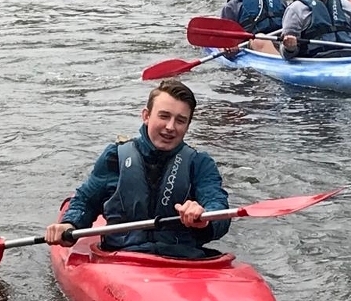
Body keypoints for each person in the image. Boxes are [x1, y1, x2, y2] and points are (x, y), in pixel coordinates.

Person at [44, 79, 230, 259]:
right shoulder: (115, 157)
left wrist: (205, 216)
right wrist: (69, 223)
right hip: (122, 257)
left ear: (188, 126)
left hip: (181, 258)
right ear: (146, 116)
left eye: (180, 121)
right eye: (164, 116)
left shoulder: (200, 163)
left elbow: (219, 209)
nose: (170, 127)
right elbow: (86, 201)